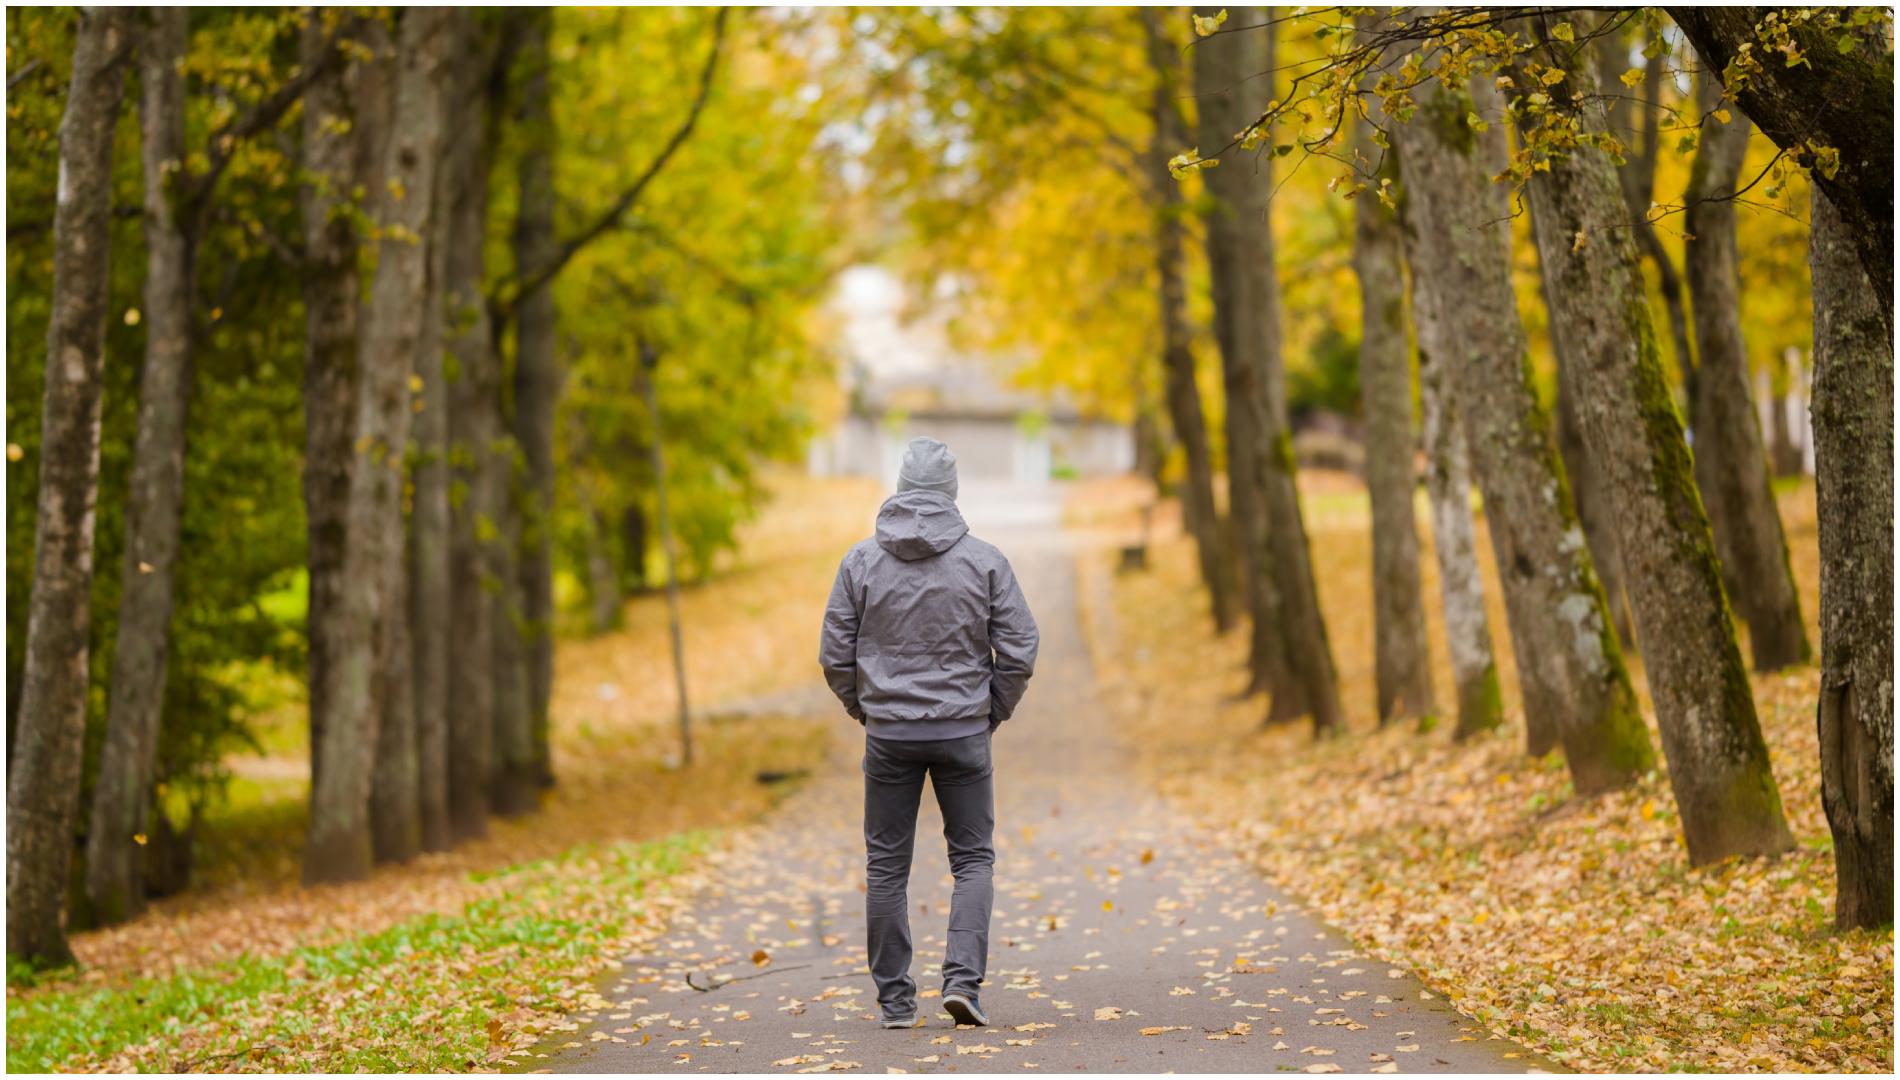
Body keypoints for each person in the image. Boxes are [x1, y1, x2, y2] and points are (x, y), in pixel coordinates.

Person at [819, 436, 1039, 1030]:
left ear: (900, 486)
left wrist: (867, 708)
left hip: (889, 735)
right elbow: (1020, 647)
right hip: (964, 731)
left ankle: (894, 1002)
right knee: (972, 860)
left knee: (886, 865)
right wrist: (991, 710)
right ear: (952, 492)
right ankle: (962, 982)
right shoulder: (985, 560)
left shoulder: (860, 561)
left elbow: (834, 652)